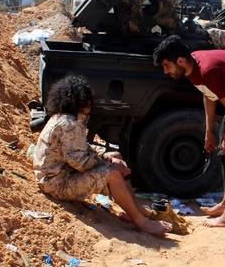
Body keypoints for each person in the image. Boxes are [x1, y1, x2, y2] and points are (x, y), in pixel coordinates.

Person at [32, 75, 172, 236]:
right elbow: (81, 162)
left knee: (116, 156)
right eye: (87, 101)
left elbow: (81, 147)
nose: (90, 105)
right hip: (57, 183)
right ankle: (141, 222)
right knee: (112, 173)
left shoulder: (67, 118)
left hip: (62, 174)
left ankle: (135, 209)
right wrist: (110, 164)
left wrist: (108, 156)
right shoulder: (68, 124)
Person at [153, 36, 225, 227]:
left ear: (180, 61)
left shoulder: (207, 70)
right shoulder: (193, 67)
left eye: (167, 65)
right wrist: (209, 131)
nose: (166, 71)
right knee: (224, 151)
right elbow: (209, 94)